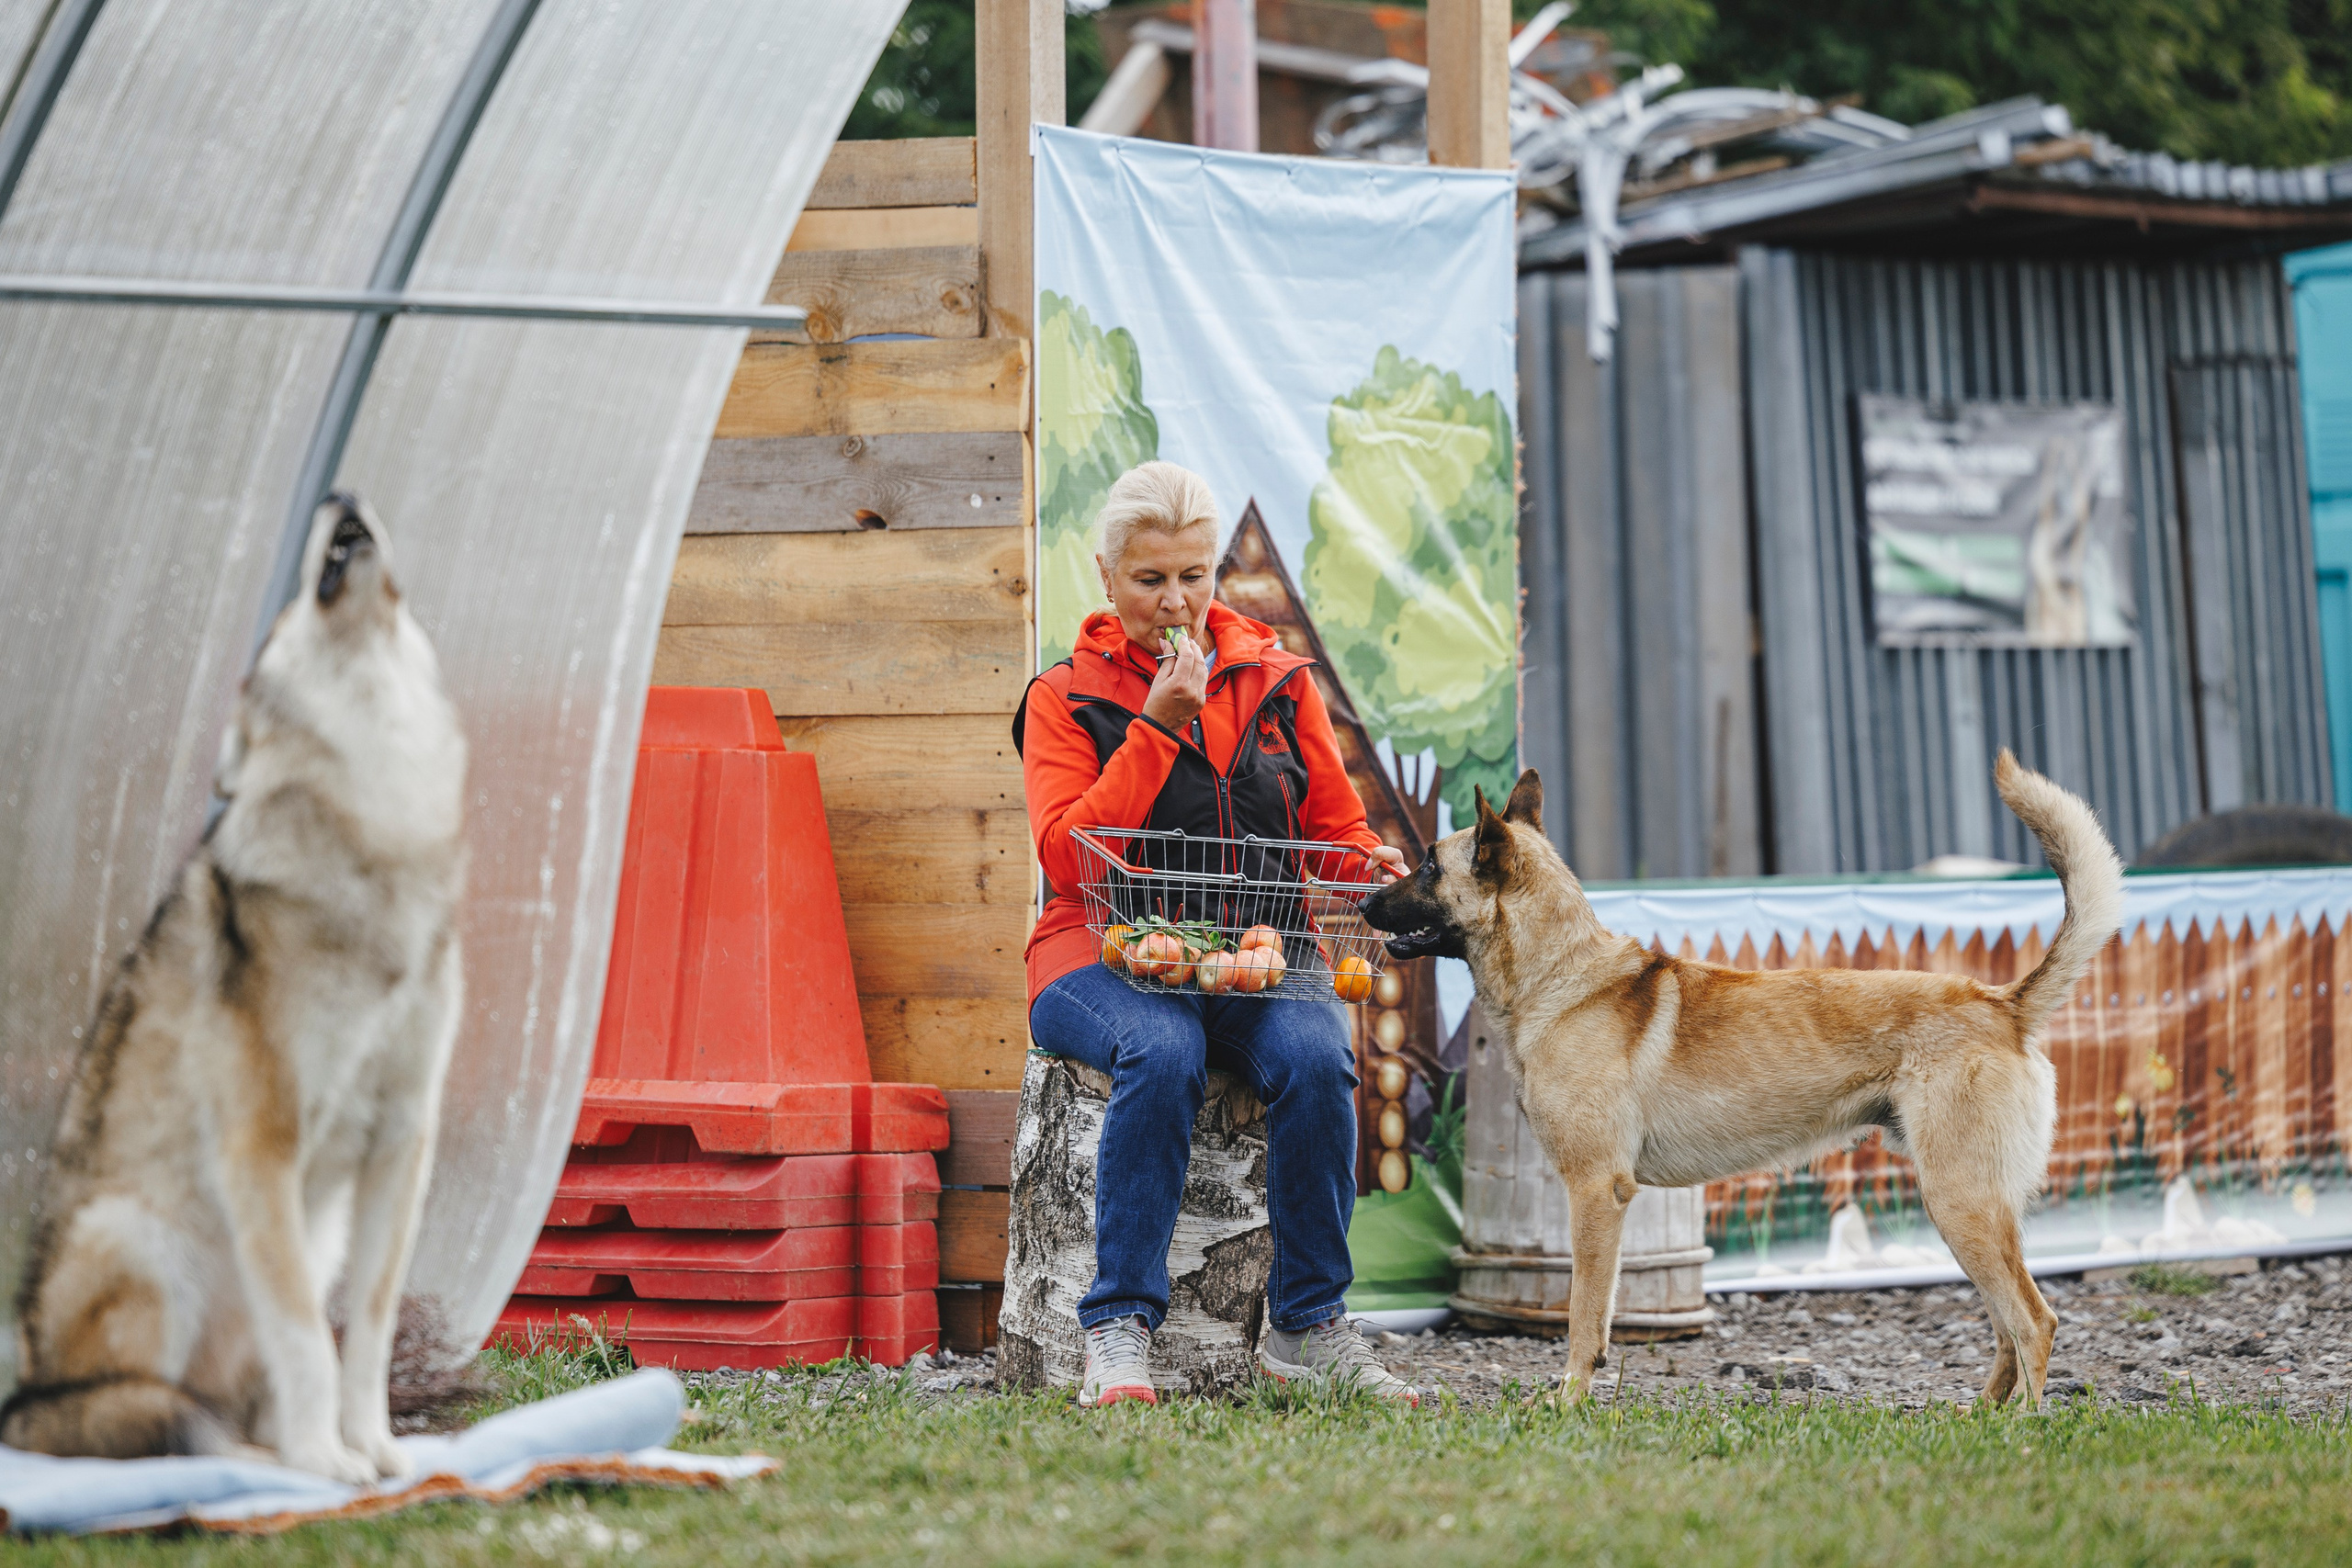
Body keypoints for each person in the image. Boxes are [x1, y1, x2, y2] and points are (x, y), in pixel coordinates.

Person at [1013, 460, 1419, 1409]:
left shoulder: (1275, 680)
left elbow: (1331, 824)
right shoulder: (1063, 695)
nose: (1175, 601)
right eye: (1150, 580)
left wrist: (1371, 869)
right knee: (1161, 1045)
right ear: (1108, 578)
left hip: (1256, 956)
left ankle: (1308, 1328)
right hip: (1095, 954)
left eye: (1193, 576)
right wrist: (1156, 727)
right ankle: (1118, 1328)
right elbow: (1069, 859)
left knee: (1319, 1058)